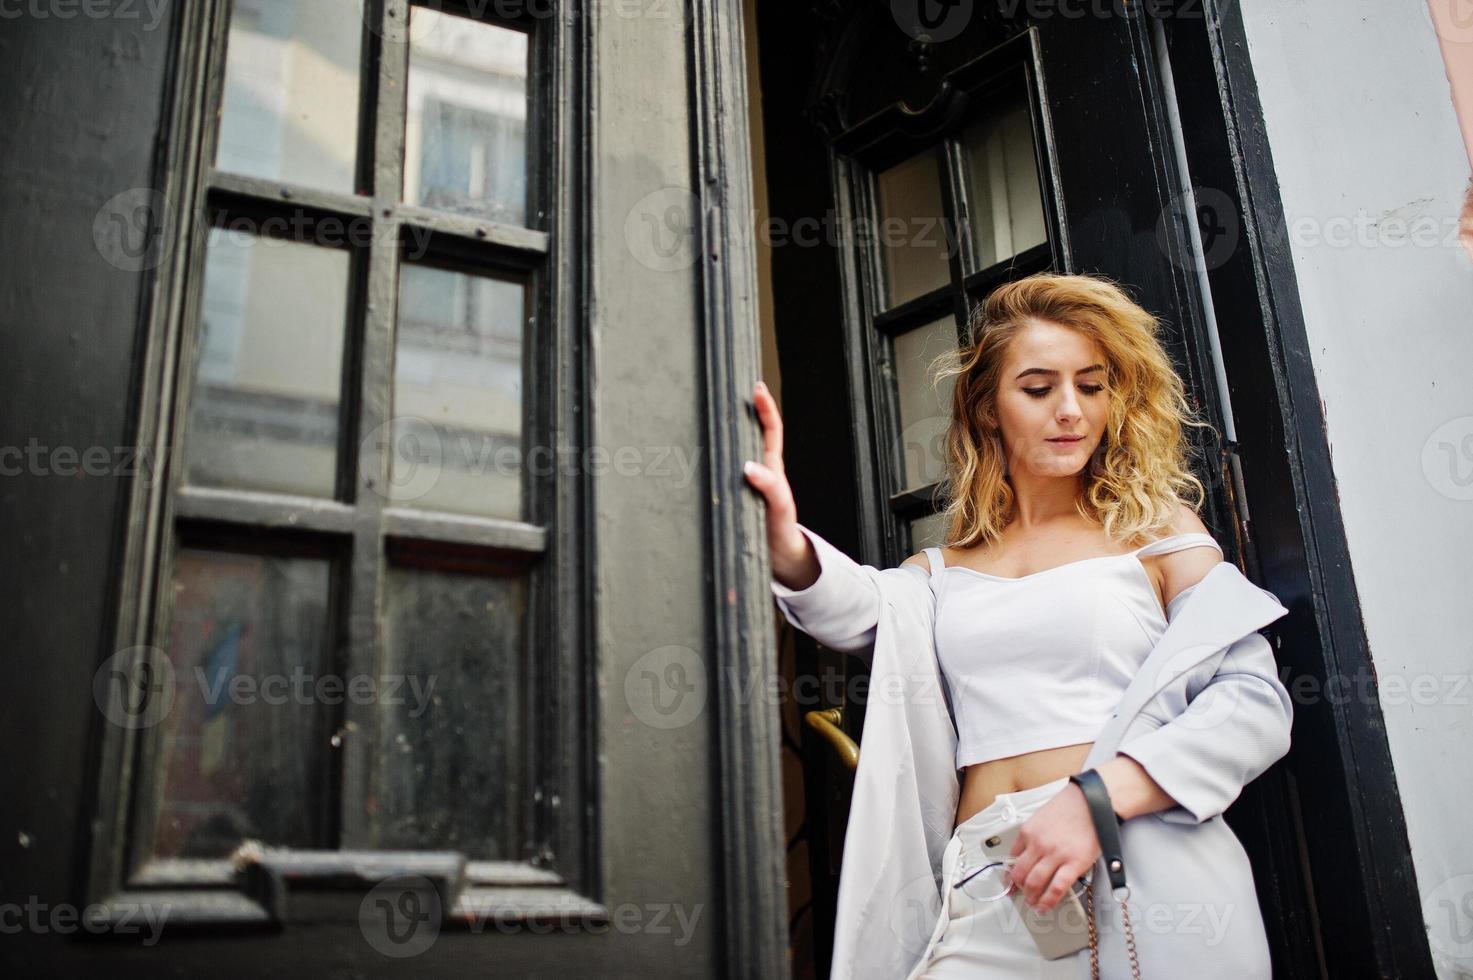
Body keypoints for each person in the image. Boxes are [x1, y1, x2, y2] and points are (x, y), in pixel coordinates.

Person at [742, 272, 1292, 979]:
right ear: (988, 407)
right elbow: (852, 606)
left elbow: (1252, 702)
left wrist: (1097, 796)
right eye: (1037, 388)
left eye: (1090, 387)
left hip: (1134, 866)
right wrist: (783, 539)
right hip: (987, 883)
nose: (1069, 410)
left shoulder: (1154, 536)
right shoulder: (938, 573)